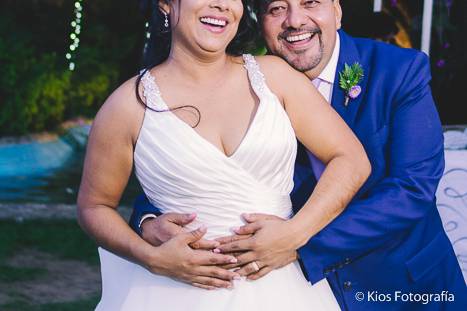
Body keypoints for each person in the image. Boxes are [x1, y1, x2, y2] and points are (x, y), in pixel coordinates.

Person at [132, 0, 467, 310]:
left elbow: (411, 189)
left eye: (310, 2)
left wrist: (298, 241)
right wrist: (148, 221)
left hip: (406, 286)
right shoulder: (248, 81)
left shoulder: (398, 70)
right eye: (277, 8)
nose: (294, 21)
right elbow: (190, 164)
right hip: (300, 292)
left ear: (336, 10)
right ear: (260, 22)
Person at [77, 0, 371, 309]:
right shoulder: (126, 106)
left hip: (283, 289)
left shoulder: (276, 78)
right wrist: (150, 257)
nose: (220, 4)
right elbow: (94, 207)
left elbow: (350, 159)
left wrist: (295, 234)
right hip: (172, 293)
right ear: (165, 4)